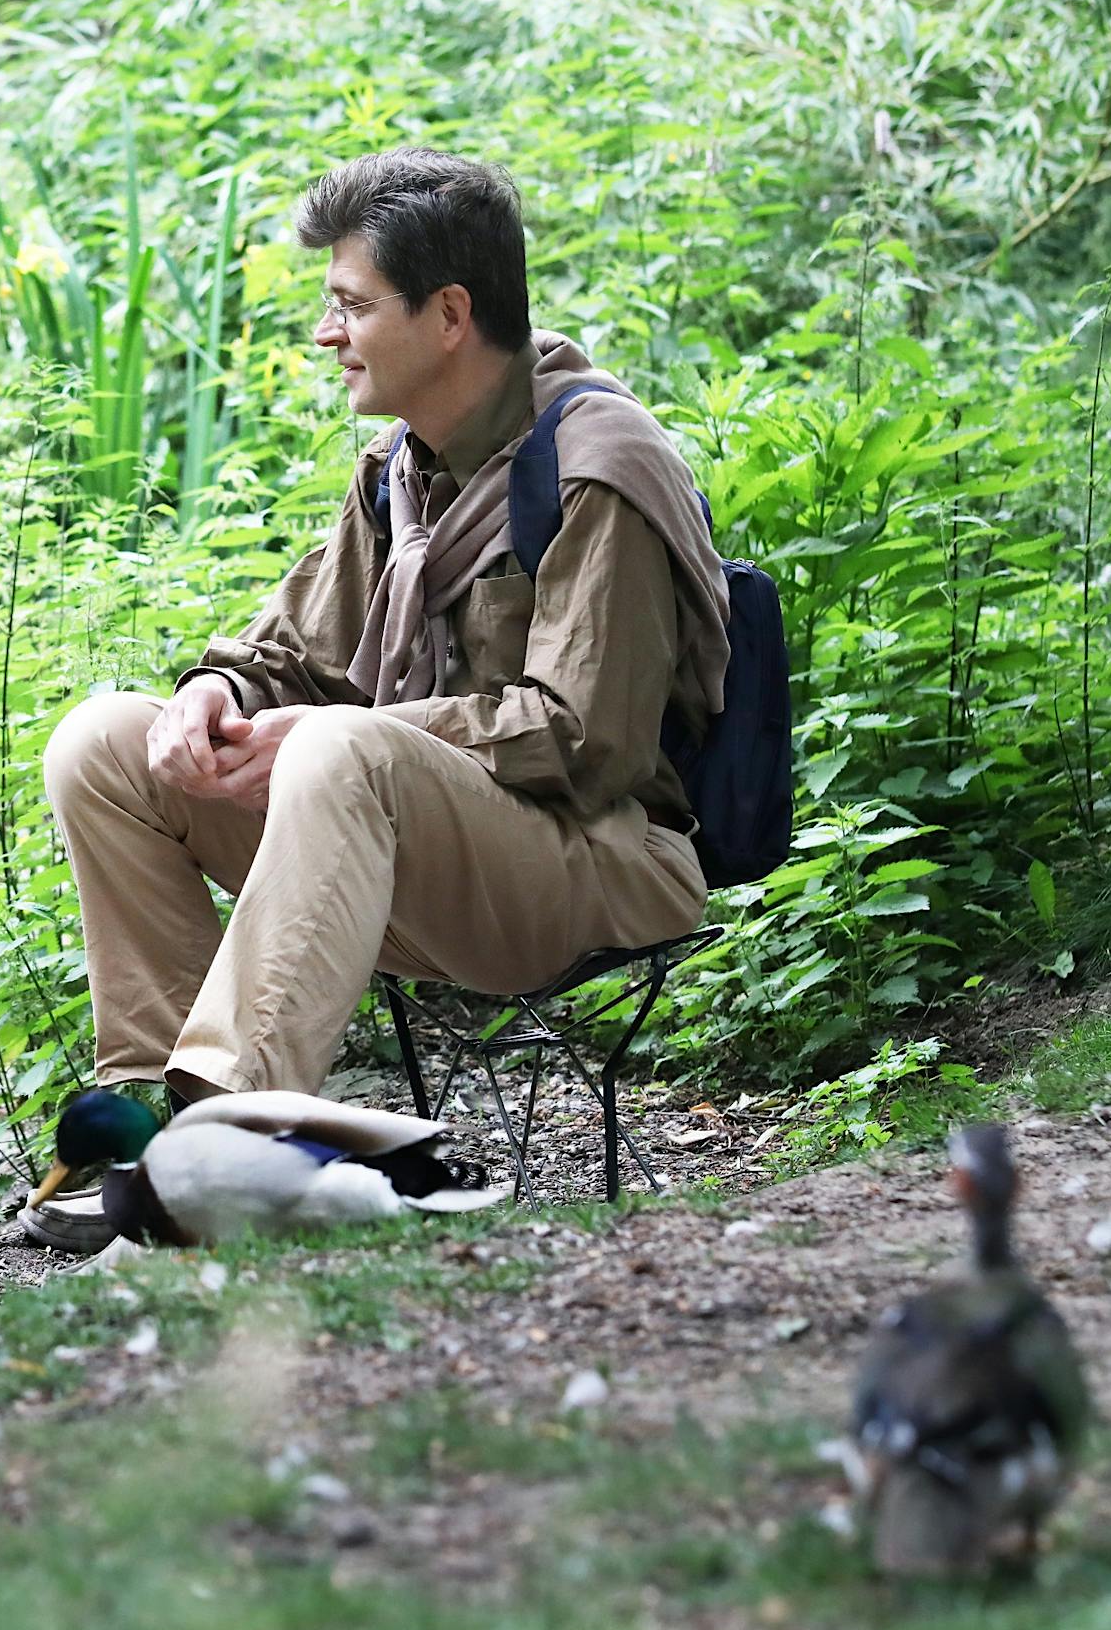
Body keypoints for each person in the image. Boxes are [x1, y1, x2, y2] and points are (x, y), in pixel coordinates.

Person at [43, 147, 731, 1106]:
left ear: (450, 314)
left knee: (342, 751)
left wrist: (343, 738)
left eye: (354, 306)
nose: (328, 334)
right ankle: (141, 1116)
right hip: (401, 852)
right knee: (105, 743)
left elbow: (586, 744)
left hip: (595, 865)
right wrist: (220, 695)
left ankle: (227, 1133)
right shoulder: (402, 471)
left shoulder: (596, 469)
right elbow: (297, 655)